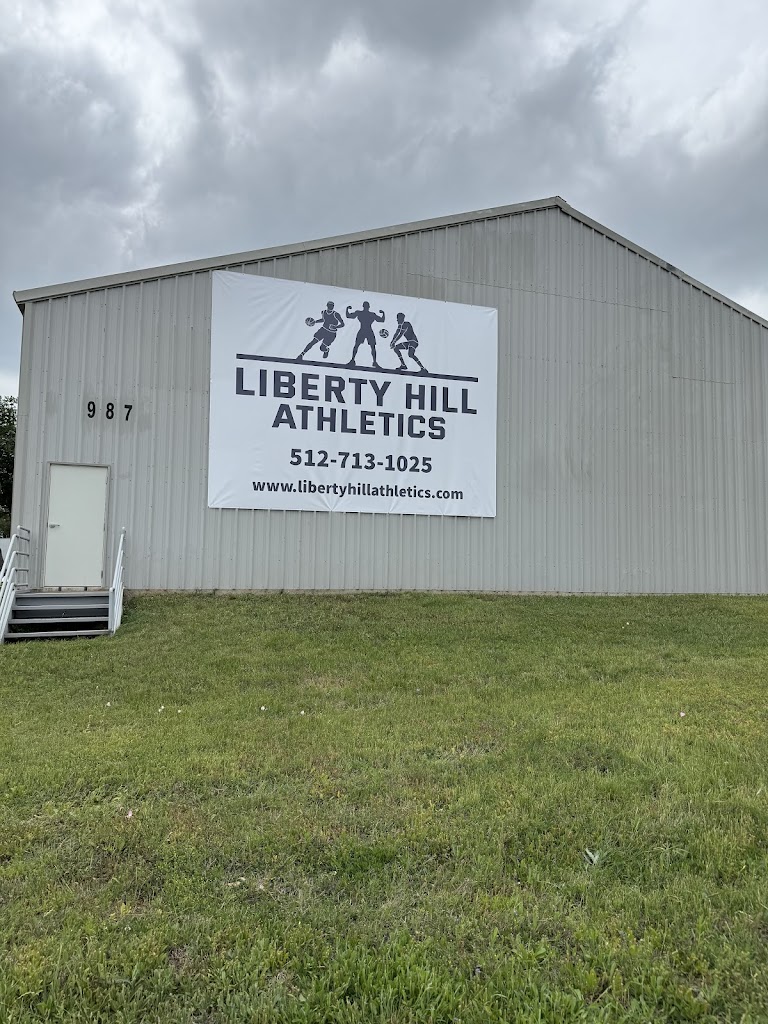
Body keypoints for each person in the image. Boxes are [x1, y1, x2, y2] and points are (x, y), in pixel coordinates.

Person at [345, 301, 385, 367]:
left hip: (367, 331)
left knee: (371, 346)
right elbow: (348, 316)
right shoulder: (361, 313)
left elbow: (382, 320)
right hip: (364, 330)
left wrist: (383, 313)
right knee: (358, 345)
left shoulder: (369, 314)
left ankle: (374, 362)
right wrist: (347, 309)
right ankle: (352, 360)